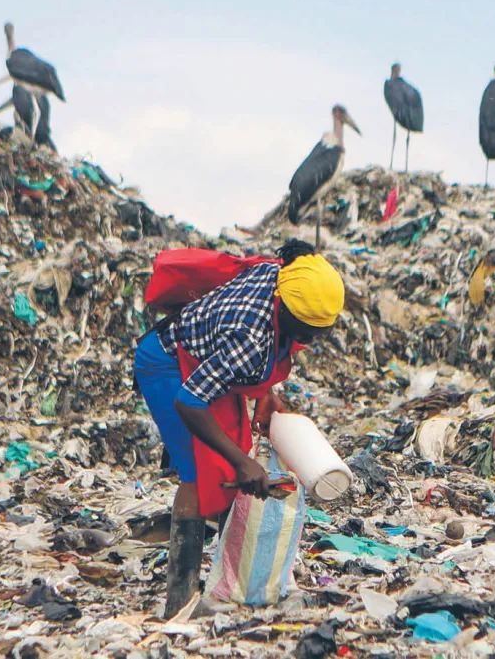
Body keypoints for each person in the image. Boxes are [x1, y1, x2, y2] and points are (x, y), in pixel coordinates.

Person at [133, 240, 345, 618]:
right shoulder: (248, 336)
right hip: (167, 364)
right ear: (284, 306)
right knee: (199, 472)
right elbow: (189, 401)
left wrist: (266, 394)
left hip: (207, 361)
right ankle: (180, 601)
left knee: (232, 464)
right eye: (306, 330)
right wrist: (243, 464)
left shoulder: (285, 276)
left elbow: (273, 348)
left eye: (319, 332)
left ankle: (235, 581)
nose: (310, 340)